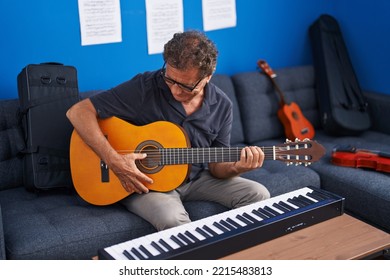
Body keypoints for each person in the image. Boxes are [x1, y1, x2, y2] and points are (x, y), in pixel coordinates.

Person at [66, 30, 270, 231]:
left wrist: (239, 167)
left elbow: (217, 167)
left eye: (186, 86)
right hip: (145, 183)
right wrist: (114, 160)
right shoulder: (144, 87)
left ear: (208, 76)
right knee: (173, 221)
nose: (174, 90)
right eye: (170, 79)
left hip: (196, 180)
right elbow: (78, 112)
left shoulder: (222, 105)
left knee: (259, 195)